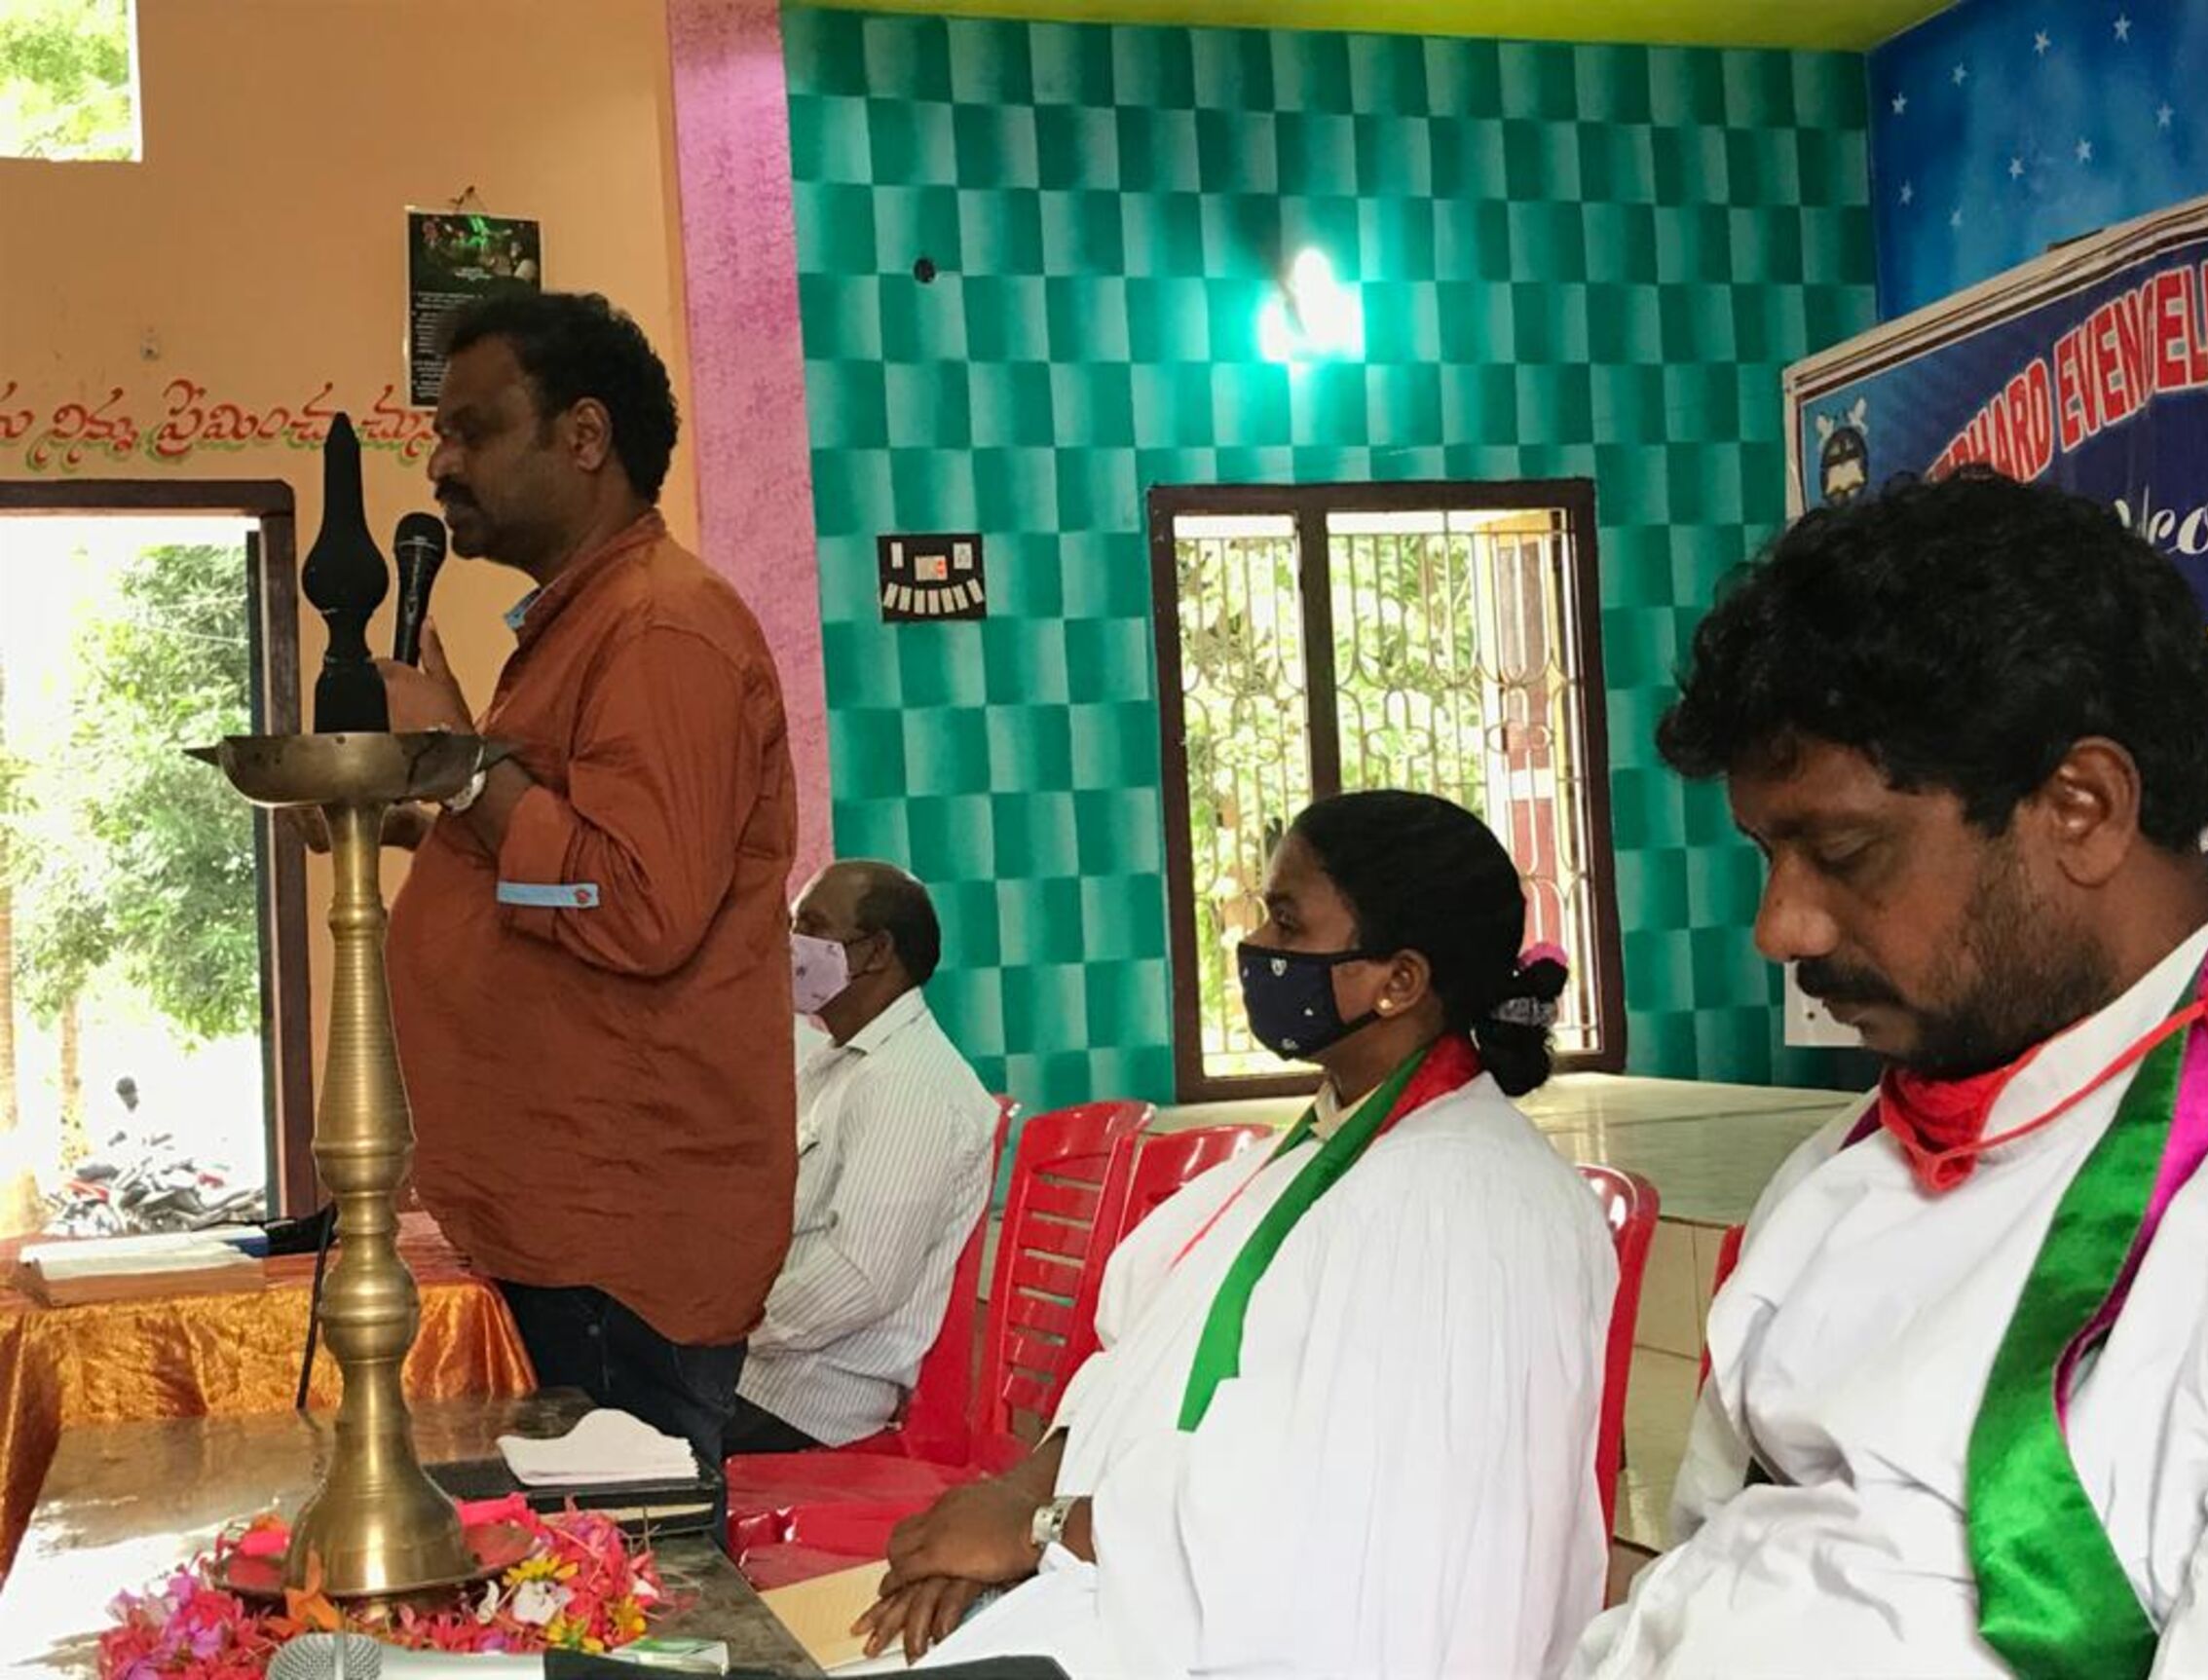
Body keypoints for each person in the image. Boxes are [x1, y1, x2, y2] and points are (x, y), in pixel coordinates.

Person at [1570, 470, 2208, 1679]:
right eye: (1767, 856)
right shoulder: (1830, 1178)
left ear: (2080, 808)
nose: (1779, 929)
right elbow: (1703, 1566)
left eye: (1841, 851)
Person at [857, 791, 1616, 1677]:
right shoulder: (1325, 1146)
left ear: (1399, 981)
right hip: (1123, 1589)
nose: (1255, 946)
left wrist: (1037, 1531)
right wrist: (1011, 1507)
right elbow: (1141, 1359)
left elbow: (1323, 1529)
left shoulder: (1458, 1205)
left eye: (1287, 923)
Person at [380, 290, 798, 1470]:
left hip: (621, 1244)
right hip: (567, 1226)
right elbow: (560, 866)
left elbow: (634, 908)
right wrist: (417, 825)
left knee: (630, 1576)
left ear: (582, 436)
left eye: (471, 430)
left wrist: (462, 767)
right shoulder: (586, 623)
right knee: (573, 1566)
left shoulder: (661, 630)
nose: (440, 463)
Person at [726, 860, 995, 1454]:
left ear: (875, 952)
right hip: (762, 1378)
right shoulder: (841, 1062)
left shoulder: (908, 1084)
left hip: (803, 1402)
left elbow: (859, 1277)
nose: (790, 944)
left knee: (607, 1407)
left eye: (812, 927)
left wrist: (726, 1330)